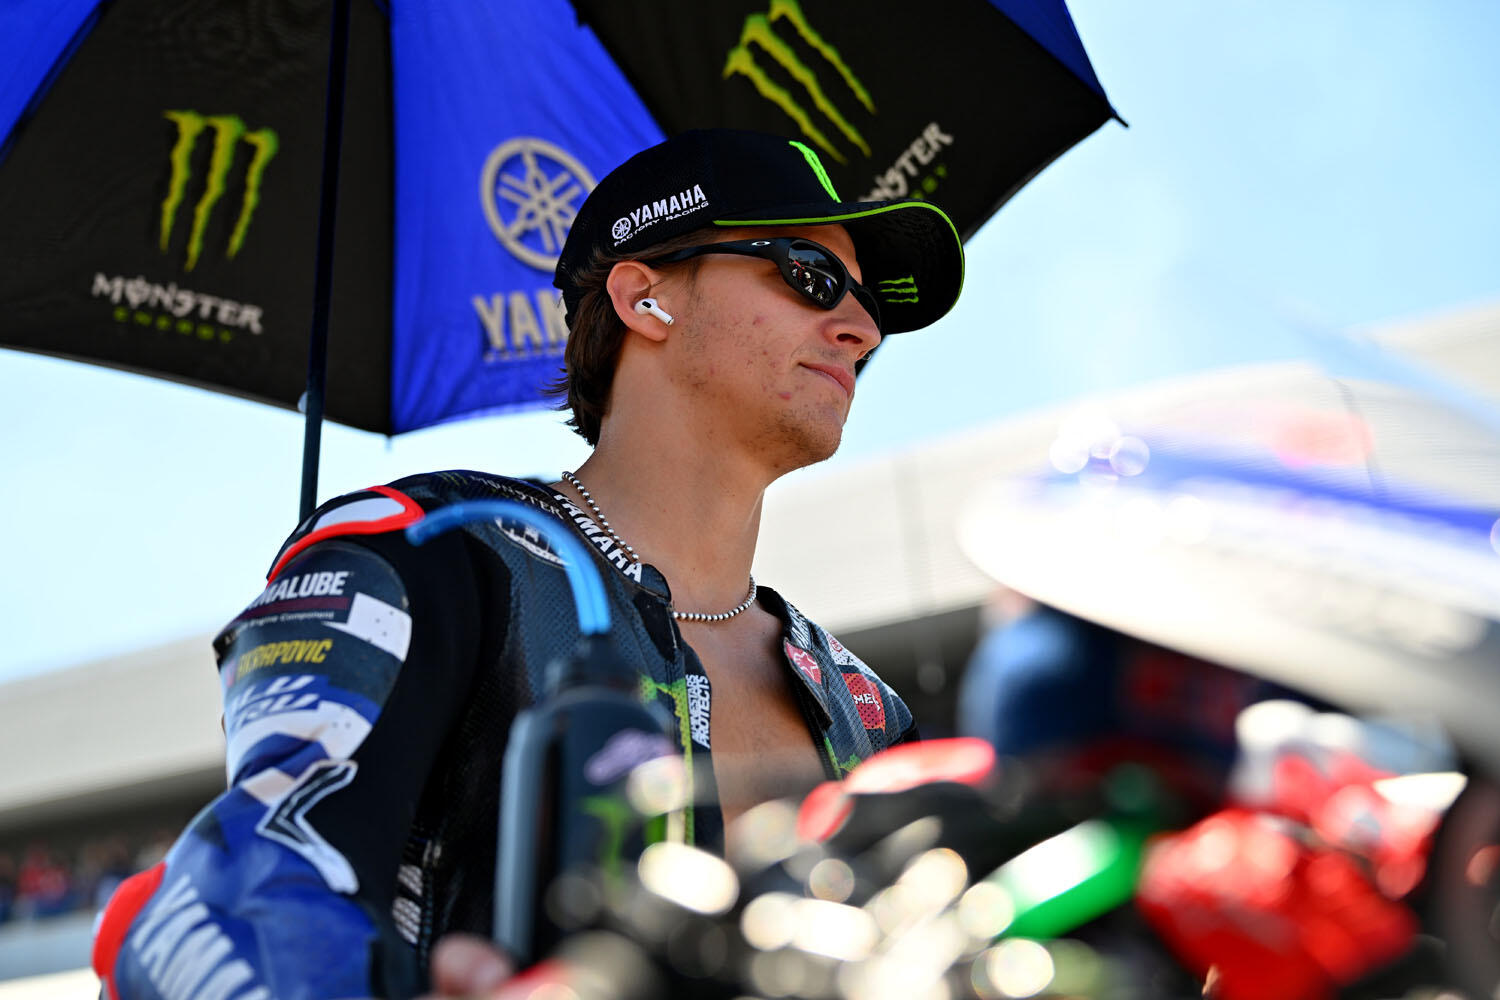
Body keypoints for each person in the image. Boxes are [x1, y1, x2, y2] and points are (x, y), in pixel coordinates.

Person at [95, 128, 964, 999]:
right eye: (811, 275)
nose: (860, 331)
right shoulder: (432, 549)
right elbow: (233, 904)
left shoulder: (867, 710)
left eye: (868, 305)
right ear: (645, 298)